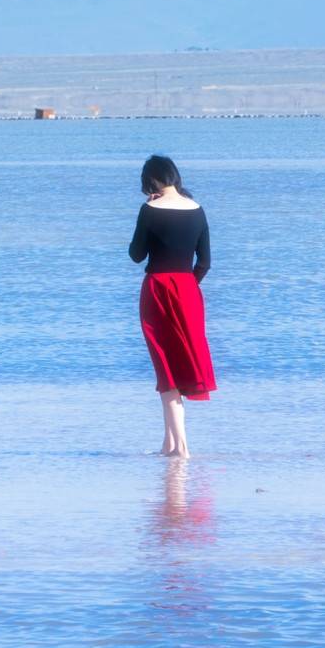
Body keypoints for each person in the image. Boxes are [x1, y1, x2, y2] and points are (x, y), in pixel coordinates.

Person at [128, 154, 216, 457]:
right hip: (188, 292)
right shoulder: (197, 209)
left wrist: (147, 213)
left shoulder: (149, 209)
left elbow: (136, 255)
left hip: (158, 290)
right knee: (180, 363)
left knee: (166, 367)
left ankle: (182, 448)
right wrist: (188, 286)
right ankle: (169, 445)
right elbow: (205, 262)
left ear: (151, 181)